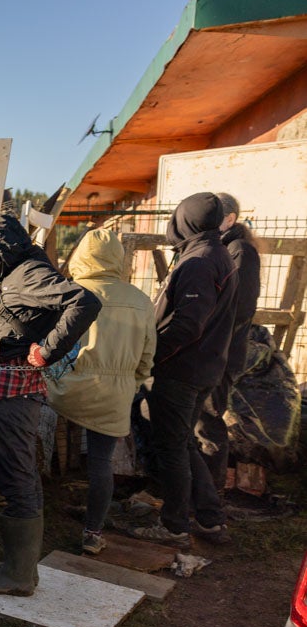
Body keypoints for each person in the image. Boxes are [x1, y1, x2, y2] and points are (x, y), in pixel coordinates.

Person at [0, 213, 100, 596]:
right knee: (20, 474)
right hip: (10, 388)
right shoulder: (20, 272)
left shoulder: (27, 273)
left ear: (2, 248)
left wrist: (47, 351)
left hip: (13, 391)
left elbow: (84, 301)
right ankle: (18, 565)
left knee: (17, 477)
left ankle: (19, 575)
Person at [132, 193, 237, 547]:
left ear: (185, 220)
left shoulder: (199, 263)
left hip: (181, 370)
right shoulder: (213, 253)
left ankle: (175, 525)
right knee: (182, 443)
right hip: (202, 367)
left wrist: (153, 356)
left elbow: (187, 325)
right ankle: (209, 518)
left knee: (172, 448)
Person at [44, 228, 155, 555]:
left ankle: (29, 508)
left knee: (40, 443)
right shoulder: (140, 300)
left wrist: (54, 378)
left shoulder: (68, 292)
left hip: (64, 389)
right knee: (101, 462)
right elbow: (147, 359)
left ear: (80, 255)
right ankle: (92, 533)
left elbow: (53, 346)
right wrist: (131, 383)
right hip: (115, 393)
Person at [197, 192, 263, 497]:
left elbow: (240, 308)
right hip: (213, 350)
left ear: (230, 219)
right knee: (201, 422)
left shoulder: (241, 251)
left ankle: (210, 499)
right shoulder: (226, 248)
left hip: (221, 353)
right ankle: (201, 495)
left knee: (209, 422)